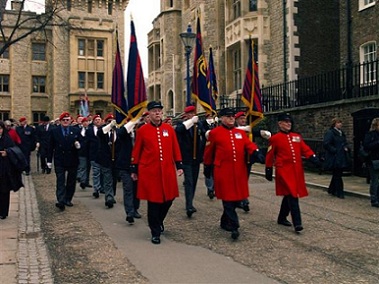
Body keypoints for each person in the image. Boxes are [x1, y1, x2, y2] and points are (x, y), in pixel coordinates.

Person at [203, 107, 265, 240]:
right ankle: (234, 226)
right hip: (222, 171)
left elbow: (249, 145)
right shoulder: (215, 133)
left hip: (238, 171)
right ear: (222, 118)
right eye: (228, 116)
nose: (231, 118)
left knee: (236, 199)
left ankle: (224, 221)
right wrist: (207, 166)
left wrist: (256, 152)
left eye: (232, 117)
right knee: (228, 199)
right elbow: (209, 151)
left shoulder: (239, 133)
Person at [131, 101, 183, 245]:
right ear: (149, 113)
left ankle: (158, 221)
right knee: (154, 201)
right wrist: (134, 168)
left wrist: (179, 164)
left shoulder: (169, 129)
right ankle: (155, 232)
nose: (157, 113)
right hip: (149, 171)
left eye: (159, 110)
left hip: (166, 170)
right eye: (154, 111)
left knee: (169, 198)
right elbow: (137, 150)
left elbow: (175, 148)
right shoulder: (142, 130)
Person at [265, 112, 320, 233]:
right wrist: (268, 169)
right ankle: (297, 223)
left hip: (296, 170)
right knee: (293, 195)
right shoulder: (275, 138)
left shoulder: (296, 136)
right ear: (280, 124)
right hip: (284, 171)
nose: (288, 124)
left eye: (289, 122)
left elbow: (305, 149)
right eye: (286, 122)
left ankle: (282, 217)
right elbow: (270, 154)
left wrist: (313, 158)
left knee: (289, 194)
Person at [234, 111, 271, 212]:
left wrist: (263, 133)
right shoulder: (233, 129)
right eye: (241, 119)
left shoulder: (248, 129)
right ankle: (241, 200)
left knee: (244, 180)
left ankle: (242, 199)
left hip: (248, 159)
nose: (243, 120)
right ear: (236, 120)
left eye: (244, 119)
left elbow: (255, 132)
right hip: (237, 159)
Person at [175, 105, 206, 218]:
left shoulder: (198, 124)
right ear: (186, 115)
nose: (192, 115)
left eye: (193, 113)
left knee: (194, 181)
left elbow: (204, 134)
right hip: (186, 158)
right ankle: (189, 206)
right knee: (188, 182)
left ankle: (190, 201)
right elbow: (179, 130)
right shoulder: (181, 124)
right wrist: (190, 122)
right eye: (190, 114)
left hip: (196, 158)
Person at [47, 112, 82, 211]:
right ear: (61, 121)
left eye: (67, 120)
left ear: (70, 120)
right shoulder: (55, 131)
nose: (66, 122)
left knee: (71, 181)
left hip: (72, 159)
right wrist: (49, 161)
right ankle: (61, 200)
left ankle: (68, 198)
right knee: (60, 181)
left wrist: (78, 146)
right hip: (60, 160)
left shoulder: (75, 130)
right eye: (64, 120)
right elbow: (50, 147)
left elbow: (81, 143)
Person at [0, 121, 24, 219]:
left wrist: (7, 152)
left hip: (4, 167)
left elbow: (15, 150)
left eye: (0, 128)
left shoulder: (7, 138)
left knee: (4, 190)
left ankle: (3, 212)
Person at [323, 118, 350, 199]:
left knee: (337, 174)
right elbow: (326, 144)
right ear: (334, 124)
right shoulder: (331, 133)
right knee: (337, 174)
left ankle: (332, 189)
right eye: (338, 123)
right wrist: (334, 150)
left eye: (341, 123)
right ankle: (339, 192)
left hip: (341, 156)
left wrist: (346, 147)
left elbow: (344, 142)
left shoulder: (341, 133)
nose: (340, 124)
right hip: (334, 157)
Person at [86, 114, 104, 198]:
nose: (97, 121)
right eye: (96, 120)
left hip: (103, 154)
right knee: (96, 172)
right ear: (93, 121)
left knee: (103, 172)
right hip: (93, 154)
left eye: (99, 119)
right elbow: (87, 142)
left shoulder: (104, 129)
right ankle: (96, 189)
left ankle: (102, 187)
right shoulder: (89, 130)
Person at [363, 118, 379, 207]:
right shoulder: (370, 134)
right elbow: (367, 146)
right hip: (373, 160)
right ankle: (374, 199)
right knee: (375, 180)